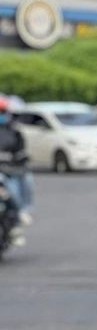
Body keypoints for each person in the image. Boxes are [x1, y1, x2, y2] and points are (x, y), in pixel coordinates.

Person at [0, 98, 32, 246]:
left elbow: (21, 154)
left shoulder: (14, 132)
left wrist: (19, 163)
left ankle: (21, 215)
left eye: (2, 112)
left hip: (11, 171)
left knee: (25, 182)